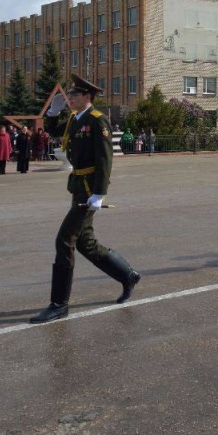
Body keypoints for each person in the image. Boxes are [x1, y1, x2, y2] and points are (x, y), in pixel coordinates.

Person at [30, 73, 141, 324]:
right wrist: (50, 116)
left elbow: (105, 159)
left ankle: (59, 304)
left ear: (87, 97)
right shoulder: (75, 118)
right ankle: (127, 275)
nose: (70, 98)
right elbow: (65, 141)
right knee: (85, 242)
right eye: (69, 95)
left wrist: (100, 193)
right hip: (78, 186)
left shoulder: (98, 120)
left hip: (90, 189)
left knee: (64, 240)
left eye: (74, 95)